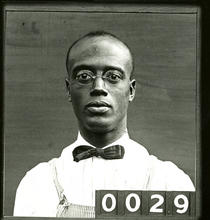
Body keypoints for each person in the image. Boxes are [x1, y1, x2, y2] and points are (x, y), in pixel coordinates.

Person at [13, 31, 195, 218]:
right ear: (68, 89)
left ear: (131, 90)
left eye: (113, 76)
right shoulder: (37, 183)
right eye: (84, 76)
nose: (98, 87)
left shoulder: (170, 182)